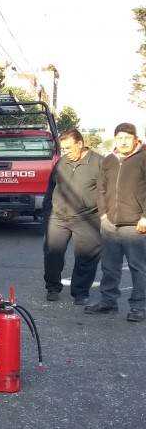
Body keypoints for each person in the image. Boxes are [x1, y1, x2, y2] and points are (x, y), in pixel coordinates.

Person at [85, 123, 146, 322]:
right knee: (110, 266)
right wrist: (103, 214)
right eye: (120, 138)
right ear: (115, 140)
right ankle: (108, 302)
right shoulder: (109, 160)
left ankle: (138, 306)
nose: (124, 141)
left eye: (127, 138)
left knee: (138, 267)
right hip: (110, 223)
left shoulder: (143, 157)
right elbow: (101, 189)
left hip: (135, 223)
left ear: (135, 139)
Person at [43, 129, 103, 304]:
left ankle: (80, 292)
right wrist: (47, 213)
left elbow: (107, 191)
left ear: (80, 144)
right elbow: (50, 188)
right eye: (63, 149)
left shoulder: (100, 163)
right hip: (58, 218)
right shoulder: (61, 163)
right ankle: (52, 287)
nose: (66, 153)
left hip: (87, 218)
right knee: (52, 255)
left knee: (86, 258)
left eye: (69, 148)